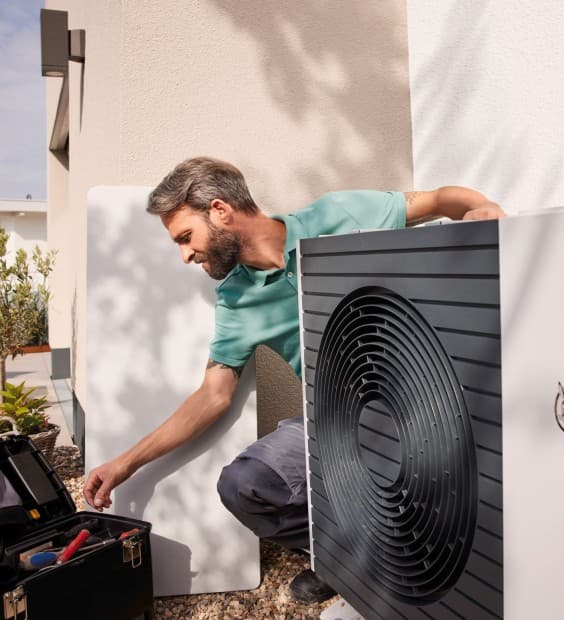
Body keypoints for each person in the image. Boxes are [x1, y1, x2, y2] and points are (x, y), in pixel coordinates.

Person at [83, 157, 505, 603]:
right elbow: (213, 394)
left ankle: (399, 541)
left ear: (221, 211)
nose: (186, 255)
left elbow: (439, 200)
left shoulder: (336, 216)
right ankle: (342, 553)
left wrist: (482, 209)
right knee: (243, 486)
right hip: (334, 423)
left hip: (424, 401)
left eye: (186, 237)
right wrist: (124, 464)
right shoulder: (235, 300)